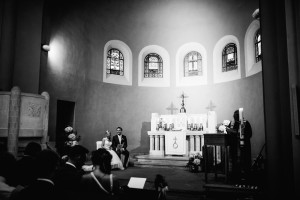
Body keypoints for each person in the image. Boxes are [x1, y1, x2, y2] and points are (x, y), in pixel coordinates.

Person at [226, 109, 252, 183]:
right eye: (234, 116)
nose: (234, 117)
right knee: (234, 161)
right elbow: (228, 131)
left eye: (236, 115)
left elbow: (249, 134)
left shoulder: (245, 123)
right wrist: (228, 130)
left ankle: (245, 178)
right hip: (234, 145)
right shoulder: (232, 123)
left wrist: (239, 133)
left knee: (243, 162)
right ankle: (234, 178)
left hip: (243, 146)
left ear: (240, 116)